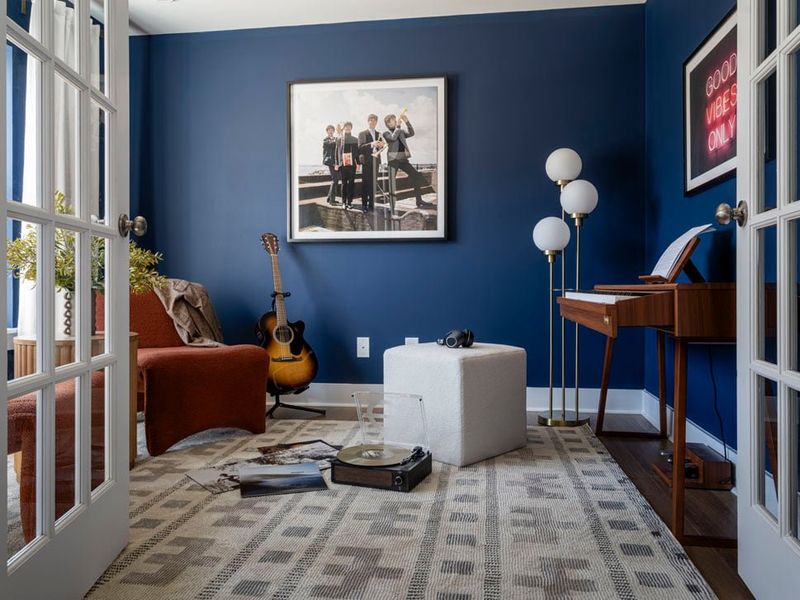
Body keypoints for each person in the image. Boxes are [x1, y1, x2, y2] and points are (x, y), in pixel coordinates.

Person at [382, 113, 433, 209]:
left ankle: (419, 201)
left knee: (416, 176)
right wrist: (398, 126)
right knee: (392, 183)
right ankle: (391, 206)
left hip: (403, 159)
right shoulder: (386, 133)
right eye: (393, 119)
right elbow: (392, 138)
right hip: (393, 160)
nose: (396, 120)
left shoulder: (400, 131)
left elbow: (412, 133)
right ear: (388, 123)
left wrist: (407, 122)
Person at [358, 114, 383, 212]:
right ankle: (364, 205)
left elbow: (382, 147)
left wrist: (382, 146)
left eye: (374, 120)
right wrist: (372, 144)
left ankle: (371, 205)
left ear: (376, 122)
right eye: (371, 120)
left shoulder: (379, 134)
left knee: (373, 183)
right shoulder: (362, 133)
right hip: (367, 161)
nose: (372, 122)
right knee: (365, 183)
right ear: (368, 121)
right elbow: (360, 147)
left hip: (376, 161)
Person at [336, 122, 359, 210]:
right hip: (343, 165)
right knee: (344, 183)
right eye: (346, 126)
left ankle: (349, 202)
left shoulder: (355, 139)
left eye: (349, 126)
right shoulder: (339, 139)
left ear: (351, 128)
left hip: (352, 164)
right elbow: (336, 152)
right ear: (344, 128)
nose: (347, 128)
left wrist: (358, 163)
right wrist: (337, 163)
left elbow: (357, 152)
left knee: (351, 184)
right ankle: (343, 202)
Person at [322, 125, 340, 205]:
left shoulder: (335, 139)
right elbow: (331, 144)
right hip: (330, 162)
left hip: (336, 162)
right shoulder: (325, 140)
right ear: (327, 131)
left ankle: (330, 198)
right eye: (329, 130)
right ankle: (331, 200)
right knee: (335, 179)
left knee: (336, 179)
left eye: (332, 130)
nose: (331, 131)